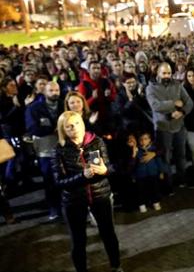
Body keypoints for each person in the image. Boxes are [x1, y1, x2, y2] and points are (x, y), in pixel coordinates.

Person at [52, 111, 123, 272]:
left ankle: (116, 266)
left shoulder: (96, 141)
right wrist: (81, 176)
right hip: (74, 200)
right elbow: (59, 182)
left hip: (100, 195)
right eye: (69, 126)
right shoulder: (59, 150)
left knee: (108, 234)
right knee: (78, 240)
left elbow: (110, 167)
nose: (74, 128)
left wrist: (105, 170)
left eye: (77, 124)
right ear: (63, 130)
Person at [146, 63, 194, 188]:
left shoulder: (177, 85)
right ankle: (168, 184)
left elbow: (189, 102)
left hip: (179, 125)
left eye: (169, 73)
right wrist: (174, 103)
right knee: (166, 157)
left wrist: (182, 112)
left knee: (181, 155)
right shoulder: (151, 88)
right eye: (164, 73)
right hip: (163, 129)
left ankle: (181, 179)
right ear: (158, 73)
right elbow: (155, 106)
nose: (167, 76)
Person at [25, 81, 63, 220]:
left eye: (57, 90)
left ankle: (66, 207)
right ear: (44, 92)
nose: (55, 93)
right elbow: (32, 128)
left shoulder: (64, 104)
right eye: (51, 90)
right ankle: (54, 209)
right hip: (45, 150)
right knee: (49, 180)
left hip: (63, 148)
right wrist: (52, 130)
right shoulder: (34, 108)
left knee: (65, 178)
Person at [131, 131, 164, 213]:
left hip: (153, 173)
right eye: (141, 139)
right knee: (141, 190)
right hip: (140, 175)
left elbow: (159, 161)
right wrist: (133, 175)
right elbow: (134, 164)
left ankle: (155, 202)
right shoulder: (137, 150)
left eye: (145, 139)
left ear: (150, 140)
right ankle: (142, 204)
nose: (143, 141)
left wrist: (161, 171)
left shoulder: (153, 150)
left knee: (154, 189)